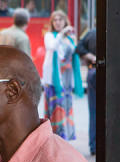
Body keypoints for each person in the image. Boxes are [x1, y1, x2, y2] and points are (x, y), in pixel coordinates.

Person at [42, 10, 83, 141]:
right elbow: (52, 47)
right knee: (56, 111)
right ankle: (55, 140)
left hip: (66, 80)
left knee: (65, 108)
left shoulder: (69, 38)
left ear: (65, 21)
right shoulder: (50, 36)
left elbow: (73, 54)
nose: (58, 22)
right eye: (55, 20)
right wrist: (61, 34)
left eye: (60, 19)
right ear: (52, 23)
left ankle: (64, 140)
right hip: (54, 81)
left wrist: (72, 39)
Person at [76, 28, 96, 156]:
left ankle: (94, 145)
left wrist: (90, 56)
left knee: (94, 111)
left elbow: (79, 48)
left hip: (93, 71)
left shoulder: (91, 33)